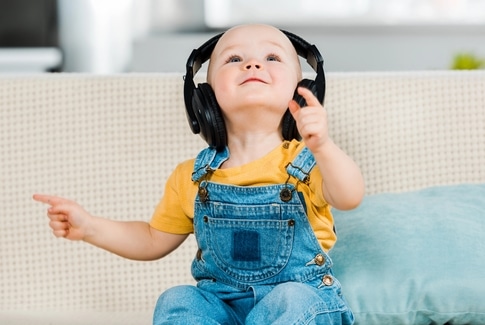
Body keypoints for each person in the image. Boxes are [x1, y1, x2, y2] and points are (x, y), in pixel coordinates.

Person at [34, 24, 364, 324]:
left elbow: (350, 196)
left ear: (302, 89)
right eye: (234, 58)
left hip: (299, 309)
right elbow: (152, 239)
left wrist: (322, 145)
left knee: (291, 299)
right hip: (223, 308)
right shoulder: (192, 178)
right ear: (204, 97)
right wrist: (91, 227)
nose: (252, 64)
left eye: (272, 57)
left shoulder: (308, 162)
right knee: (178, 299)